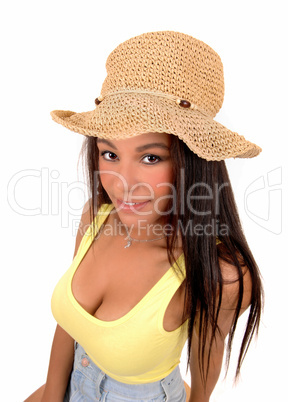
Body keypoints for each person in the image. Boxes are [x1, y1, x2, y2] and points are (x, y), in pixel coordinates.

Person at [25, 30, 263, 402]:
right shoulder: (96, 217)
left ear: (192, 163)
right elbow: (68, 328)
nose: (123, 183)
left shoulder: (223, 274)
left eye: (150, 157)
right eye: (109, 154)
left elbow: (206, 365)